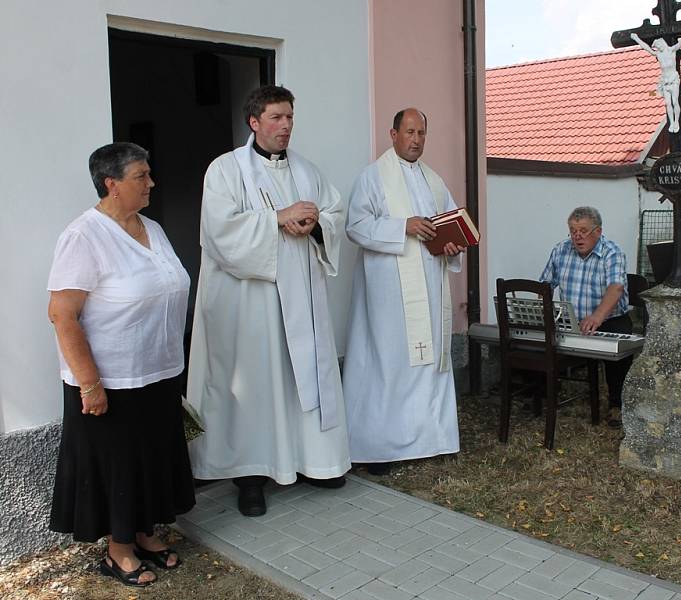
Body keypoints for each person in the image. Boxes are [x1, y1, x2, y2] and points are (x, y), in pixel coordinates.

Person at [186, 85, 350, 517]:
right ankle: (251, 476)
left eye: (290, 117)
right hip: (252, 301)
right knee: (258, 383)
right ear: (254, 122)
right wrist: (278, 218)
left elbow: (335, 212)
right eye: (276, 118)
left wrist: (316, 224)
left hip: (303, 296)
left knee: (305, 375)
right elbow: (219, 232)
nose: (286, 126)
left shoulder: (308, 170)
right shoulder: (224, 170)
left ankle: (316, 459)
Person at [47, 142, 195, 588]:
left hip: (158, 371)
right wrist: (90, 384)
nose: (151, 183)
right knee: (119, 466)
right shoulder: (84, 236)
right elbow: (62, 314)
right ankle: (118, 551)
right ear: (111, 184)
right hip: (111, 379)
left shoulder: (151, 227)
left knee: (152, 456)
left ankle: (146, 533)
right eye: (141, 176)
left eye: (149, 174)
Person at [343, 108, 465, 475]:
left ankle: (430, 439)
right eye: (409, 132)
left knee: (428, 361)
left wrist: (451, 246)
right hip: (388, 293)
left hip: (429, 287)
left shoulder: (434, 180)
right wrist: (403, 227)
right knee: (390, 362)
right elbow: (356, 226)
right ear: (392, 134)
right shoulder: (373, 177)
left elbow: (447, 222)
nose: (416, 139)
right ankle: (379, 448)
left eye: (422, 133)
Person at [540, 206, 631, 428]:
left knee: (620, 346)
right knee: (537, 340)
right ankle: (541, 392)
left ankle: (617, 405)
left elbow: (616, 288)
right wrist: (542, 312)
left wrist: (597, 317)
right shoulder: (560, 250)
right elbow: (544, 285)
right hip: (571, 319)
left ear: (598, 232)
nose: (577, 236)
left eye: (583, 230)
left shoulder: (612, 252)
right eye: (572, 231)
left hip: (609, 318)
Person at [631, 19, 681, 133]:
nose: (658, 48)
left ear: (662, 43)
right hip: (665, 82)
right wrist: (636, 38)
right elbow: (646, 47)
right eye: (657, 47)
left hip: (673, 80)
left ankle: (676, 122)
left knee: (675, 102)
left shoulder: (672, 50)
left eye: (658, 45)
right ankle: (672, 122)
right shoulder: (658, 55)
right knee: (668, 103)